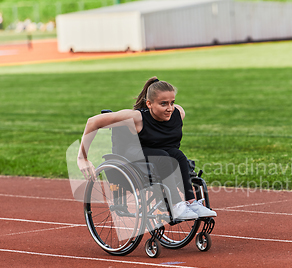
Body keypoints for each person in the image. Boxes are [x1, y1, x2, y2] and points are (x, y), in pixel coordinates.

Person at [77, 77, 216, 221]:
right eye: (163, 104)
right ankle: (175, 206)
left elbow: (170, 142)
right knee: (164, 157)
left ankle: (191, 202)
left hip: (162, 153)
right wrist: (82, 157)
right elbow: (92, 122)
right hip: (134, 154)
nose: (169, 108)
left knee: (179, 156)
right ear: (149, 104)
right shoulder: (136, 118)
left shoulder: (178, 113)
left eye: (172, 102)